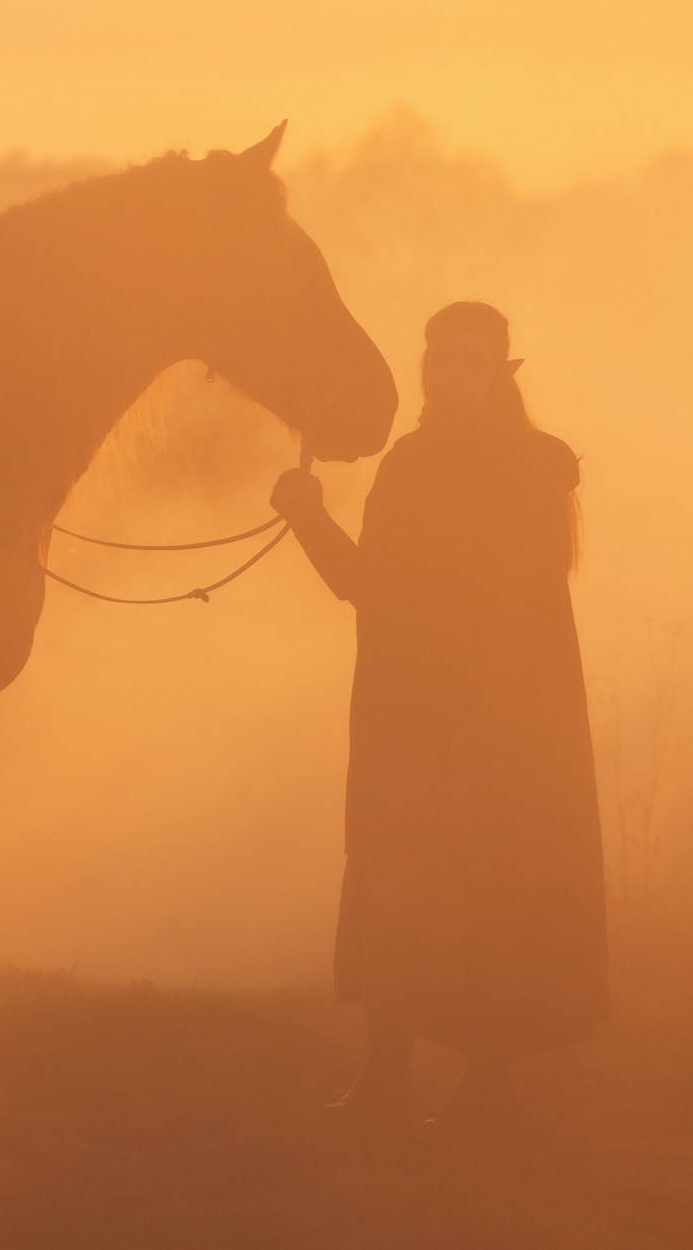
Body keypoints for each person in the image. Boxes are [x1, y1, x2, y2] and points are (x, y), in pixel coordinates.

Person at [270, 301, 608, 1131]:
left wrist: (490, 719)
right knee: (396, 882)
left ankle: (489, 1079)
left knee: (494, 890)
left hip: (501, 710)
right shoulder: (408, 464)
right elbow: (369, 586)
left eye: (472, 361)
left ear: (500, 373)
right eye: (442, 360)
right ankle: (385, 1070)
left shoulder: (533, 467)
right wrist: (306, 516)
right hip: (401, 708)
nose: (453, 374)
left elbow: (522, 605)